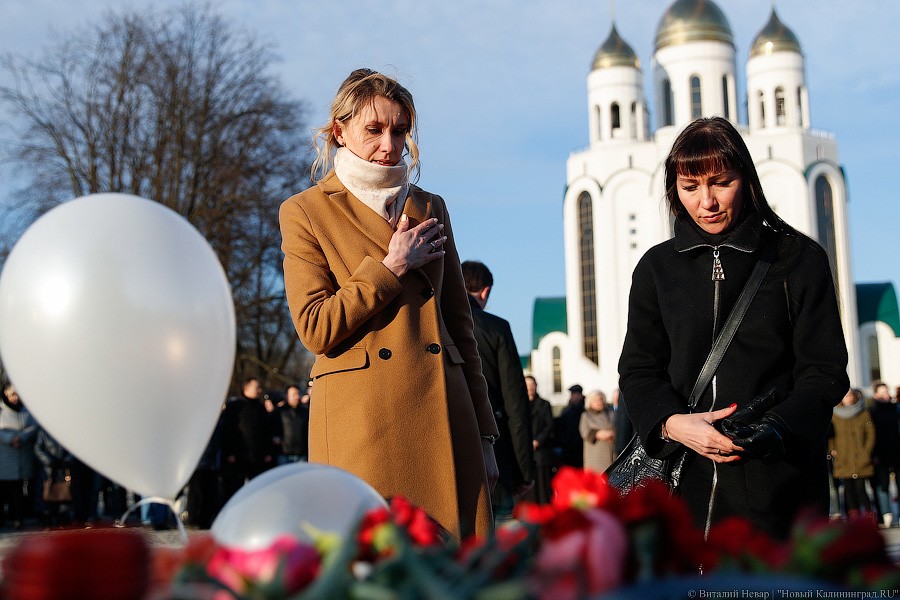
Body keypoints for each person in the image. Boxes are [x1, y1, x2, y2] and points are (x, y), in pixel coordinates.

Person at [279, 68, 499, 539]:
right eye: (374, 130)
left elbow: (461, 326)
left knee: (454, 575)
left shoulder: (430, 206)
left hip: (445, 413)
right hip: (362, 424)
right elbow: (315, 327)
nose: (390, 144)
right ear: (340, 132)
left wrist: (483, 434)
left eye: (400, 130)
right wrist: (390, 266)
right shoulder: (306, 211)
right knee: (371, 572)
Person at [618, 116, 850, 538]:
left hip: (776, 486)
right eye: (690, 188)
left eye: (720, 183)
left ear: (745, 179)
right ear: (675, 190)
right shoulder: (656, 268)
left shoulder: (797, 259)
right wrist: (671, 423)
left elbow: (825, 370)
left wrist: (776, 428)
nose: (706, 201)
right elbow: (638, 369)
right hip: (680, 488)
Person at [462, 260, 535, 524]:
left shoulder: (438, 322)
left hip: (451, 452)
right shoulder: (497, 328)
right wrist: (525, 470)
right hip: (497, 455)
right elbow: (515, 402)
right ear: (486, 291)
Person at [219, 378, 276, 502]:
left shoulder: (261, 408)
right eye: (256, 387)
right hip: (238, 457)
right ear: (246, 388)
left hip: (257, 457)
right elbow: (228, 430)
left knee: (256, 491)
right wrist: (229, 452)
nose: (259, 390)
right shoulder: (235, 407)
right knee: (234, 491)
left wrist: (268, 451)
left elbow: (266, 431)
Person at [830, 389, 876, 521]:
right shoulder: (835, 415)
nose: (848, 398)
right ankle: (853, 517)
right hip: (843, 457)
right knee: (848, 490)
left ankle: (869, 517)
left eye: (849, 395)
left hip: (860, 457)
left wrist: (866, 451)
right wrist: (833, 449)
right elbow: (831, 435)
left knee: (861, 489)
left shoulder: (863, 413)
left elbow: (871, 434)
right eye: (845, 396)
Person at [0, 384, 37, 529]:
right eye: (11, 395)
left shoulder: (26, 412)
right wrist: (10, 439)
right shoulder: (1, 412)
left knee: (20, 491)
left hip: (22, 457)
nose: (14, 398)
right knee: (4, 491)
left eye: (16, 394)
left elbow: (34, 428)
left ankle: (19, 517)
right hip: (5, 458)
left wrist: (21, 437)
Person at [868, 382, 898, 526]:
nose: (887, 395)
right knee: (882, 485)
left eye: (887, 391)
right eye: (883, 392)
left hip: (897, 451)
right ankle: (886, 514)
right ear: (876, 395)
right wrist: (873, 454)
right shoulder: (872, 412)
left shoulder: (896, 409)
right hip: (881, 454)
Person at [525, 375, 555, 504]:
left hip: (541, 450)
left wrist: (538, 441)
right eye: (527, 385)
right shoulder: (519, 404)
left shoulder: (544, 404)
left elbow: (549, 426)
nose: (530, 388)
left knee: (543, 483)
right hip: (526, 450)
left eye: (532, 385)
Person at [579, 390, 615, 473]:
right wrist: (597, 434)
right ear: (590, 402)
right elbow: (584, 432)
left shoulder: (611, 414)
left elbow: (618, 428)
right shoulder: (586, 416)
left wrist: (611, 434)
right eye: (596, 400)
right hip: (595, 454)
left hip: (611, 453)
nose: (599, 402)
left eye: (601, 399)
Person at [554, 385, 585, 468]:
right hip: (568, 446)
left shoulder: (582, 410)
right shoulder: (567, 410)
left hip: (578, 446)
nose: (572, 396)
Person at [277, 384, 310, 464]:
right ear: (287, 396)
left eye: (298, 394)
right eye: (293, 394)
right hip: (284, 453)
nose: (296, 397)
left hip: (301, 453)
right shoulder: (279, 412)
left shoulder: (305, 411)